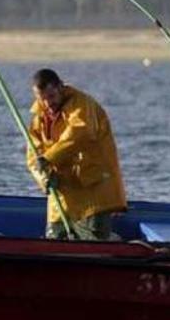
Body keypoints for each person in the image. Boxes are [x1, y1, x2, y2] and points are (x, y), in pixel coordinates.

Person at [27, 68, 126, 240]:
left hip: (92, 195)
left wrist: (49, 158)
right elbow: (33, 157)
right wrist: (44, 179)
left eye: (51, 97)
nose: (48, 103)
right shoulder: (39, 118)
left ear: (60, 87)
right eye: (42, 99)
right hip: (60, 200)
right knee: (53, 244)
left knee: (96, 244)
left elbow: (80, 133)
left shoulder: (82, 105)